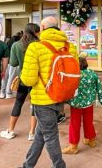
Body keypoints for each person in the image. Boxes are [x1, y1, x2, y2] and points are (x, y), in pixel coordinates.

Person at [20, 16, 76, 168]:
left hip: (43, 99)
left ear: (43, 28)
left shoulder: (35, 47)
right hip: (61, 96)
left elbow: (29, 80)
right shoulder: (70, 47)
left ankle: (59, 165)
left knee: (50, 135)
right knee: (41, 133)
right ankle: (28, 164)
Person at [0, 23, 40, 141]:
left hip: (24, 78)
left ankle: (11, 130)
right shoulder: (41, 45)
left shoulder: (17, 45)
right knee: (35, 105)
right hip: (38, 80)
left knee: (18, 103)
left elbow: (13, 63)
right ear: (37, 32)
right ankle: (32, 133)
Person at [62, 56, 102, 154]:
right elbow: (99, 87)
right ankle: (91, 140)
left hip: (76, 104)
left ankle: (73, 146)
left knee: (74, 124)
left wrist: (64, 100)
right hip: (89, 104)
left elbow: (68, 88)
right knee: (88, 122)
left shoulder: (75, 75)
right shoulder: (92, 73)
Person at [0, 31, 23, 99]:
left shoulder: (8, 42)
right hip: (13, 62)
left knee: (4, 78)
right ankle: (8, 93)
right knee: (11, 77)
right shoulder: (17, 44)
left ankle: (2, 92)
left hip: (6, 62)